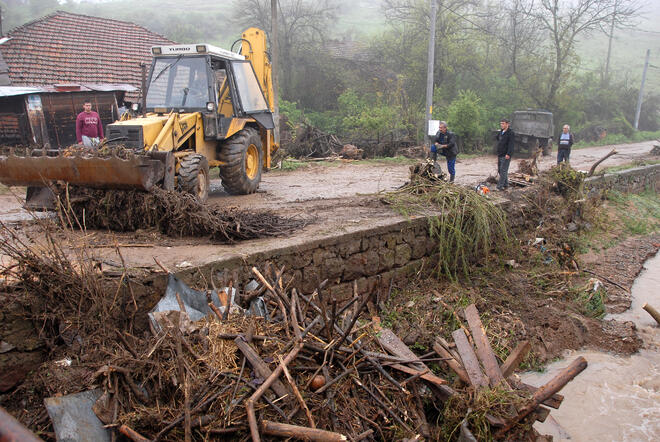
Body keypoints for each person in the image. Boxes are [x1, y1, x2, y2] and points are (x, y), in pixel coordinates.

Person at [495, 118, 514, 190]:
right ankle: (506, 184)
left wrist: (508, 154)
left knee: (503, 170)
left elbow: (511, 144)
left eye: (503, 123)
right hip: (500, 154)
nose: (501, 125)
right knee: (500, 170)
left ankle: (499, 186)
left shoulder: (510, 133)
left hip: (506, 155)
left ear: (507, 124)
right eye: (501, 123)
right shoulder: (501, 132)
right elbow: (497, 138)